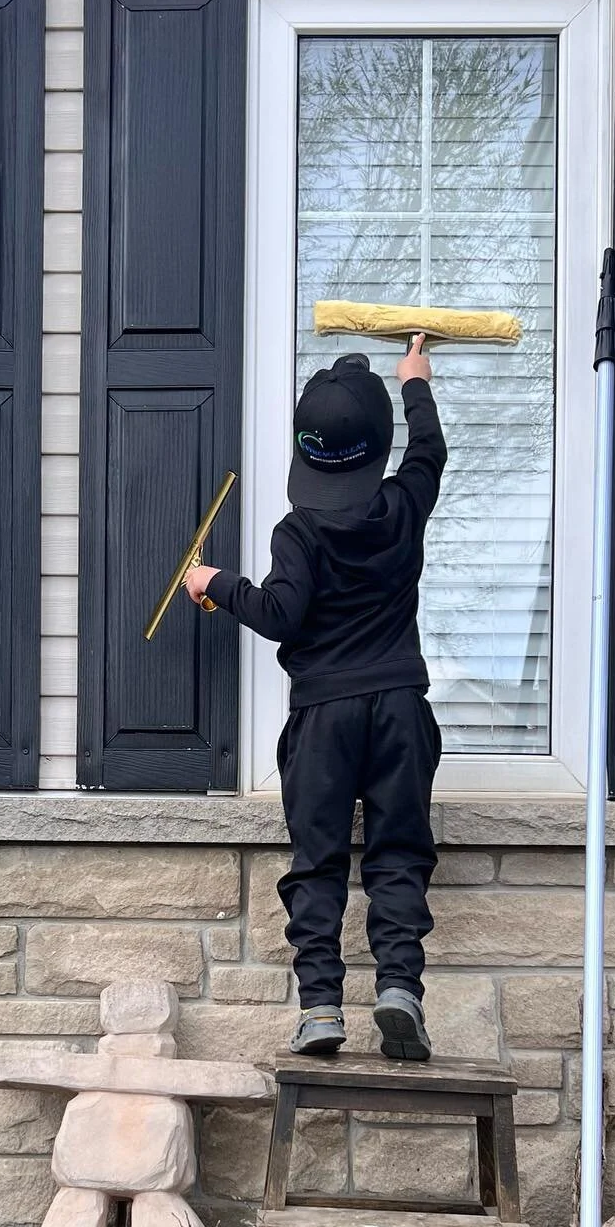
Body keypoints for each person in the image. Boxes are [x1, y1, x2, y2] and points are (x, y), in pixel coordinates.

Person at [186, 336, 446, 1060]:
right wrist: (415, 381)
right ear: (374, 451)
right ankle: (399, 989)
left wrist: (215, 585)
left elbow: (280, 615)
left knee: (319, 860)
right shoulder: (403, 506)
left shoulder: (298, 531)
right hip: (399, 706)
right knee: (397, 854)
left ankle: (322, 1008)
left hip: (324, 719)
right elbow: (429, 452)